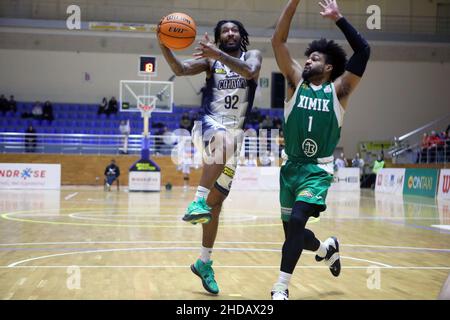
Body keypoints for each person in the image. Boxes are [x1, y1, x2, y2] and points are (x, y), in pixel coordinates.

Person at [270, 0, 370, 300]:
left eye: (313, 59)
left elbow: (364, 51)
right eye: (307, 58)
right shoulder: (294, 83)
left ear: (327, 67)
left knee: (298, 221)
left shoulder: (339, 91)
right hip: (290, 168)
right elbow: (278, 41)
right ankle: (327, 248)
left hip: (318, 170)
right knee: (294, 235)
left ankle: (280, 287)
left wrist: (338, 18)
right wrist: (293, 2)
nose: (307, 62)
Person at [158, 18, 262, 294]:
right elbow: (179, 69)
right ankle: (196, 201)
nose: (230, 33)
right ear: (218, 38)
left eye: (234, 29)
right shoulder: (210, 63)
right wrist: (164, 45)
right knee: (223, 145)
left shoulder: (252, 56)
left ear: (241, 35)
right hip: (208, 126)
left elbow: (251, 72)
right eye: (224, 31)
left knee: (215, 206)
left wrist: (218, 54)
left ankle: (204, 262)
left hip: (234, 138)